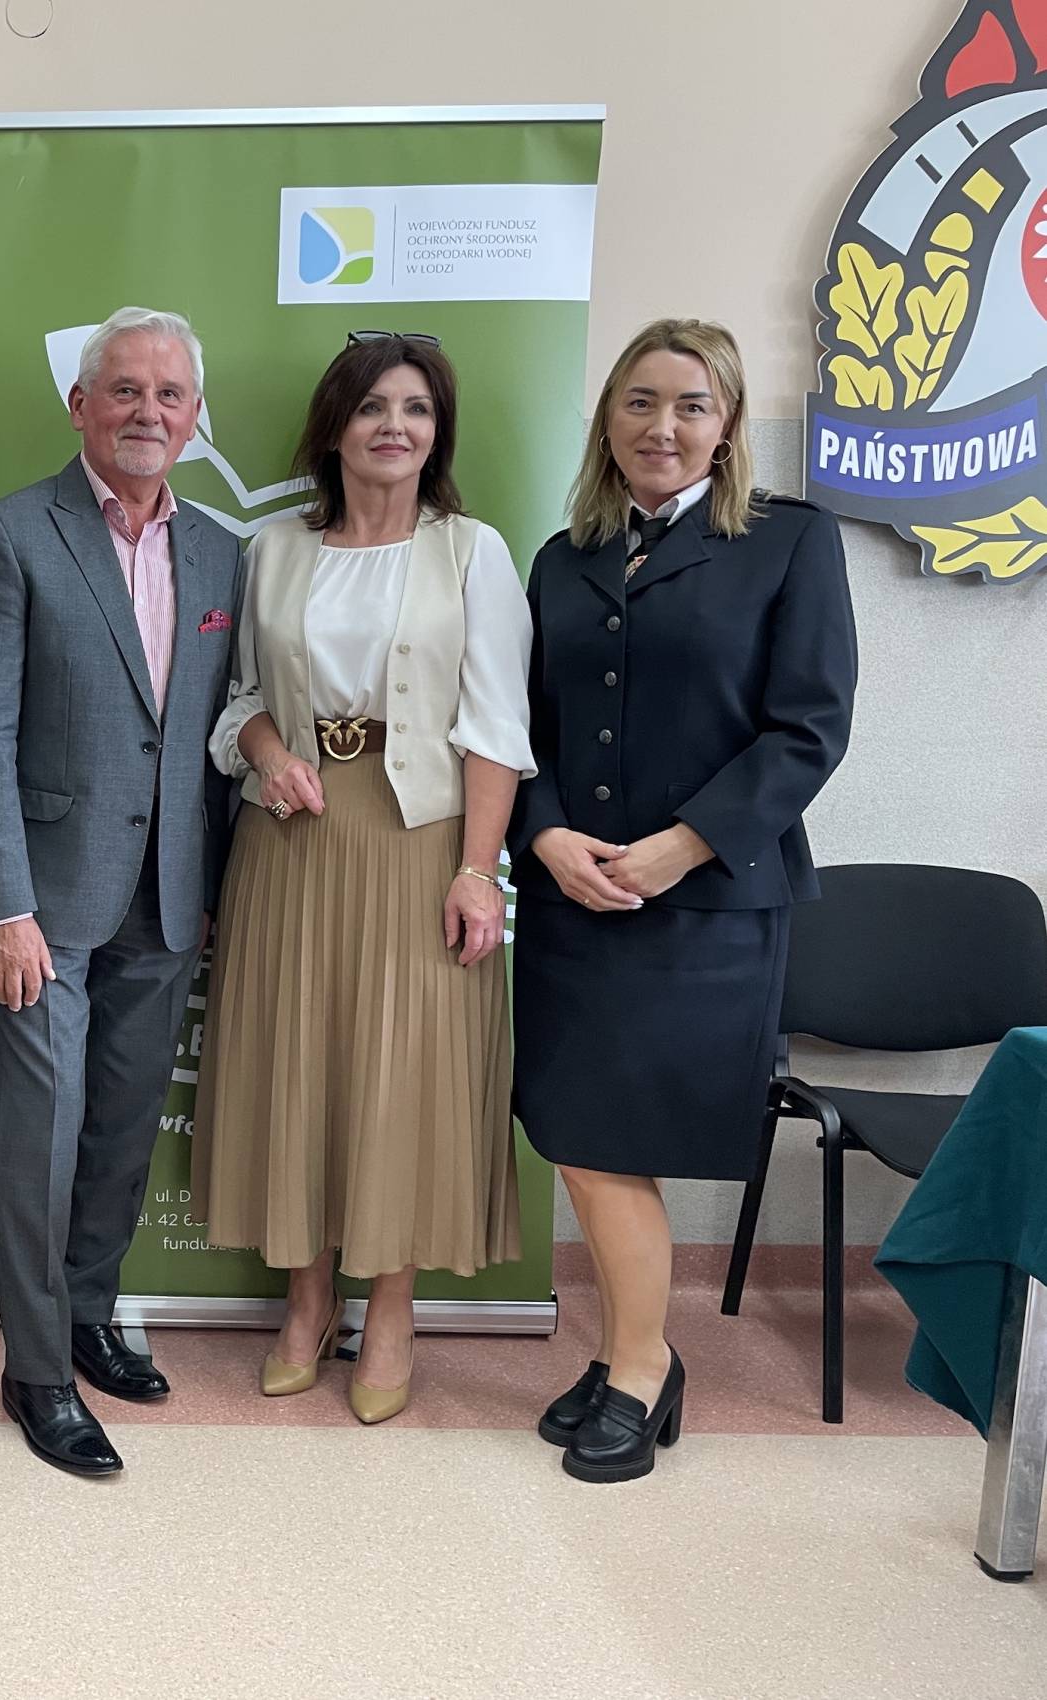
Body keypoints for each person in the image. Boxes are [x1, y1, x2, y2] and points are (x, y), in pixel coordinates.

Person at [512, 318, 857, 1483]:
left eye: (691, 404)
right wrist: (543, 832)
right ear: (607, 419)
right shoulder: (562, 558)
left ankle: (639, 1368)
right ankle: (635, 1353)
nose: (663, 426)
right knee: (578, 1137)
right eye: (640, 401)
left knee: (623, 1137)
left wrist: (682, 845)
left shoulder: (788, 542)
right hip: (570, 898)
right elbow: (525, 728)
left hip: (705, 907)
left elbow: (808, 727)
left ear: (728, 424)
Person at [194, 333, 532, 1425]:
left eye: (417, 408)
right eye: (374, 406)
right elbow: (239, 701)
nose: (396, 426)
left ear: (438, 433)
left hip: (421, 838)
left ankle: (390, 1308)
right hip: (290, 836)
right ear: (333, 427)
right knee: (298, 1061)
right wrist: (267, 754)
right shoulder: (273, 550)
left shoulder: (472, 551)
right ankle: (306, 1302)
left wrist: (478, 870)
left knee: (404, 1072)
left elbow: (496, 725)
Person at [0, 307, 240, 1476]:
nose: (146, 411)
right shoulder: (11, 534)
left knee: (119, 1132)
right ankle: (35, 1370)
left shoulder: (220, 551)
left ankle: (85, 1315)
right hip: (42, 906)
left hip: (167, 898)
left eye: (169, 393)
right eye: (124, 389)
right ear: (80, 404)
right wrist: (0, 906)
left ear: (195, 415)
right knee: (40, 1138)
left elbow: (211, 724)